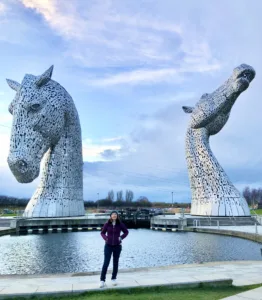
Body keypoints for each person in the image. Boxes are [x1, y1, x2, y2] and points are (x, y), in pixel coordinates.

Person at [99, 210, 129, 288]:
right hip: (108, 246)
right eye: (113, 214)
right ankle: (102, 280)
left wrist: (121, 238)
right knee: (106, 263)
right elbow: (102, 233)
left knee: (115, 263)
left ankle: (114, 279)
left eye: (115, 214)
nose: (114, 215)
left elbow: (126, 232)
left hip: (117, 246)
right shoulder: (107, 224)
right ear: (110, 216)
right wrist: (106, 238)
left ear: (117, 216)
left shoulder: (120, 224)